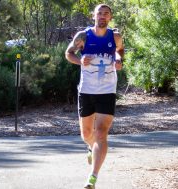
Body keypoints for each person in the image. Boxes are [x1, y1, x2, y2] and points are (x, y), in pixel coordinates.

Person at [65, 4, 124, 189]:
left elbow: (120, 51)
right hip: (87, 90)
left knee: (101, 133)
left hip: (107, 90)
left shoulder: (115, 37)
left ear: (110, 17)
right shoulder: (83, 36)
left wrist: (119, 60)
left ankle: (93, 177)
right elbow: (69, 53)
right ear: (94, 16)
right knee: (86, 134)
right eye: (99, 13)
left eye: (106, 13)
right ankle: (91, 147)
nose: (102, 16)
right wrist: (80, 60)